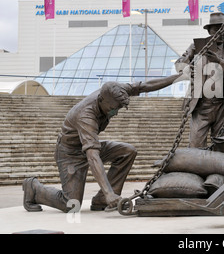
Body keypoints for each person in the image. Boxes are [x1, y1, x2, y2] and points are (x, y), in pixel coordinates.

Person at [23, 73, 184, 213]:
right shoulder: (86, 115)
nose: (115, 112)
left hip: (87, 145)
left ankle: (101, 199)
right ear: (101, 100)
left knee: (127, 151)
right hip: (70, 153)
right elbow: (92, 156)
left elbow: (146, 85)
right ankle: (34, 188)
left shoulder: (115, 91)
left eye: (119, 108)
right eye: (113, 109)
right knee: (71, 205)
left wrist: (178, 77)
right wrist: (109, 193)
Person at [175, 12, 224, 148]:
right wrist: (188, 62)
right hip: (201, 106)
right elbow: (179, 67)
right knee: (195, 144)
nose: (221, 33)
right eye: (217, 29)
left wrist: (219, 61)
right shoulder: (196, 48)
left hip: (222, 107)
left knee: (221, 146)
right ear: (209, 31)